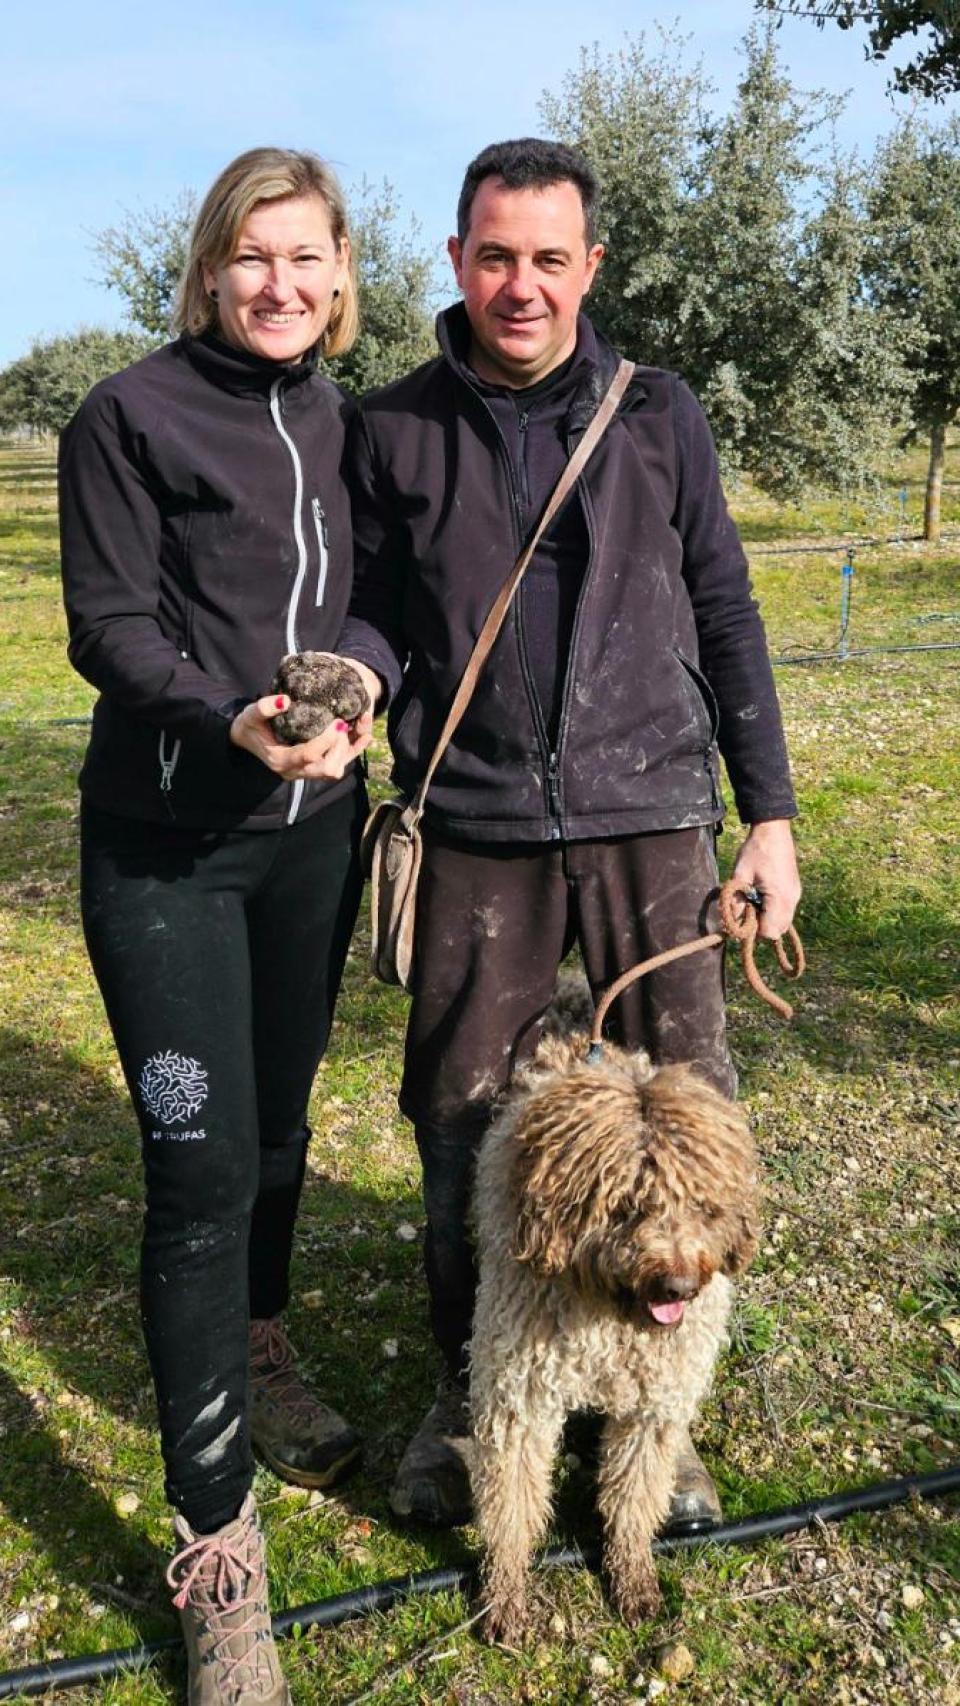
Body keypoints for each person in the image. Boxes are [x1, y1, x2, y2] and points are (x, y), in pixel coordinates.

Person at [339, 138, 802, 1531]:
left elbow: (724, 607)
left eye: (549, 258)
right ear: (456, 261)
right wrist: (355, 677)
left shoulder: (658, 415)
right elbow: (377, 607)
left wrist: (766, 813)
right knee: (461, 1124)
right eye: (495, 257)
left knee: (690, 1117)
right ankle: (462, 1394)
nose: (521, 285)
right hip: (474, 825)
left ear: (590, 266)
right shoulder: (396, 425)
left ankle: (660, 1409)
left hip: (653, 817)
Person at [59, 147, 374, 1706]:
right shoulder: (128, 415)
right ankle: (219, 1547)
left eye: (306, 258)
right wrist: (227, 716)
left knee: (276, 1136)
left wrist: (362, 678)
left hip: (314, 850)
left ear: (341, 274)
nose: (281, 286)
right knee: (194, 1170)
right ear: (208, 266)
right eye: (254, 257)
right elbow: (106, 623)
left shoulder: (347, 421)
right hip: (173, 849)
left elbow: (381, 594)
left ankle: (258, 1341)